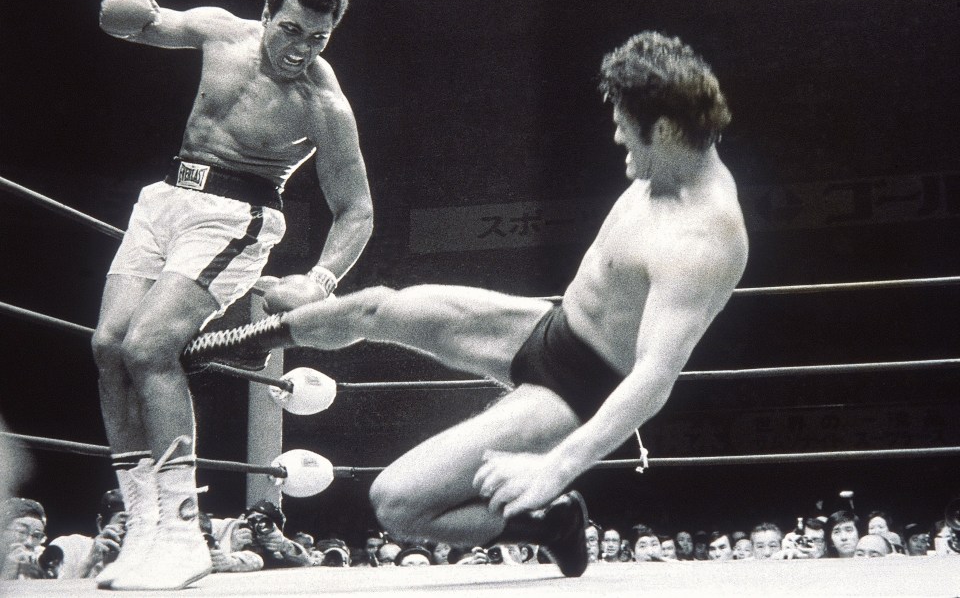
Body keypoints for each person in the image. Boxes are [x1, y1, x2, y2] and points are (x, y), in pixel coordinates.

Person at [182, 31, 746, 579]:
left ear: (667, 130)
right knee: (376, 308)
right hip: (550, 328)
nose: (619, 139)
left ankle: (549, 525)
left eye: (627, 128)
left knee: (399, 502)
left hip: (579, 391)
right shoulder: (663, 171)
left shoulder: (704, 238)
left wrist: (558, 466)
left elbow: (653, 377)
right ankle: (243, 344)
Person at [89, 0, 374, 592]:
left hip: (236, 216)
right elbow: (150, 22)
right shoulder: (221, 31)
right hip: (166, 199)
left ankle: (183, 534)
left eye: (319, 39)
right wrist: (132, 15)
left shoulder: (323, 101)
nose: (302, 49)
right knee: (109, 348)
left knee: (150, 347)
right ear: (267, 15)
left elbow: (356, 209)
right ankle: (142, 528)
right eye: (292, 31)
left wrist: (323, 278)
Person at [46, 489, 128, 579]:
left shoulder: (141, 559)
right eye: (124, 524)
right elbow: (58, 591)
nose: (131, 532)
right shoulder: (71, 547)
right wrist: (89, 562)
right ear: (100, 524)